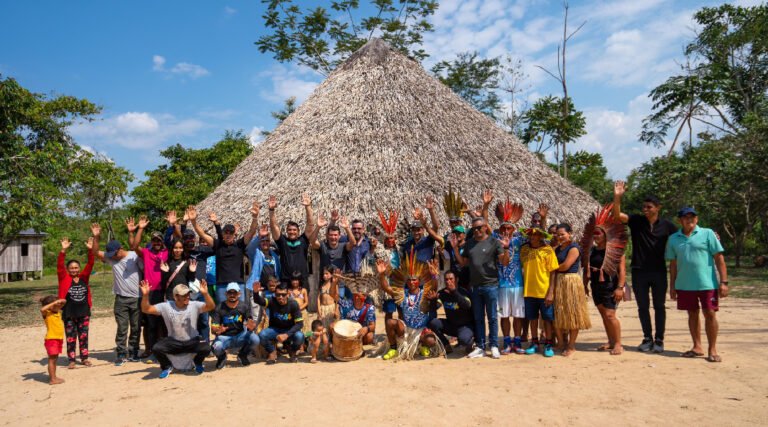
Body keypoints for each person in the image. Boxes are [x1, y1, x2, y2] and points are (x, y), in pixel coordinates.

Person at [613, 181, 678, 353]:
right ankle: (647, 338)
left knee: (659, 306)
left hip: (658, 271)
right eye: (644, 207)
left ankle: (659, 340)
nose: (645, 209)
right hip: (639, 271)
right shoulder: (637, 221)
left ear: (658, 208)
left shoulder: (667, 226)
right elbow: (617, 215)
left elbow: (683, 237)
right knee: (642, 306)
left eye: (649, 207)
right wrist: (617, 197)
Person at [449, 200, 511, 359]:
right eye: (474, 228)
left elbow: (504, 262)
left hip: (491, 285)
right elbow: (463, 263)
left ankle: (494, 346)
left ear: (485, 227)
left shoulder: (494, 242)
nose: (476, 230)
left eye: (479, 228)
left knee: (492, 317)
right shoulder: (469, 244)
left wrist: (505, 248)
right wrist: (455, 248)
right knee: (478, 317)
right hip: (475, 287)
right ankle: (481, 347)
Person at [666, 207, 728, 363]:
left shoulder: (708, 234)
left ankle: (712, 349)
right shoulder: (674, 238)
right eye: (685, 217)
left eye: (692, 216)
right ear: (680, 220)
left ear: (697, 219)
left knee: (710, 314)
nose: (689, 219)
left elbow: (719, 259)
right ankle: (697, 346)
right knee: (692, 314)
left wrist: (724, 282)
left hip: (707, 284)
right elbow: (673, 265)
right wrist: (672, 286)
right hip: (685, 285)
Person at [140, 280, 216, 378]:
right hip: (174, 342)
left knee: (206, 348)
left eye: (188, 294)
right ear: (176, 296)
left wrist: (205, 294)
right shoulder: (166, 306)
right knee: (156, 348)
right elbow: (146, 309)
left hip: (192, 341)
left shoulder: (194, 305)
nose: (187, 297)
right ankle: (167, 366)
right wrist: (145, 295)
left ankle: (197, 362)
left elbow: (211, 306)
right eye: (184, 295)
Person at [377, 256, 445, 361]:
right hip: (406, 328)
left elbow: (434, 288)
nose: (412, 282)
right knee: (390, 322)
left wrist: (433, 275)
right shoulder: (402, 293)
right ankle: (393, 348)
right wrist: (381, 274)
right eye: (409, 280)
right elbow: (386, 288)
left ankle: (423, 345)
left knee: (431, 340)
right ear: (406, 281)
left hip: (421, 329)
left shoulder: (425, 293)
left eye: (414, 280)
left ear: (419, 281)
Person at [93, 223, 143, 365]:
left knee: (135, 327)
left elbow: (136, 247)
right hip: (120, 299)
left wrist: (132, 232)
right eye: (111, 255)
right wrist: (96, 237)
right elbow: (95, 252)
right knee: (122, 327)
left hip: (137, 298)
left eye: (114, 254)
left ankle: (133, 352)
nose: (113, 257)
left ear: (120, 249)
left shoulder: (134, 256)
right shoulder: (111, 258)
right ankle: (121, 353)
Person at [582, 203, 628, 355]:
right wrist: (585, 285)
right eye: (594, 233)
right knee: (603, 314)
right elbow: (587, 269)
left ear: (605, 234)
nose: (596, 236)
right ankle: (610, 341)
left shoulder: (616, 251)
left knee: (610, 314)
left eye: (598, 234)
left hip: (610, 285)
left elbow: (622, 271)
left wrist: (620, 288)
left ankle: (618, 344)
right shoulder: (593, 251)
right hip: (596, 286)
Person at [189, 203, 259, 302]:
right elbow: (202, 234)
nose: (228, 234)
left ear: (235, 234)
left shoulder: (240, 244)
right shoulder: (217, 245)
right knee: (221, 313)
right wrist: (194, 221)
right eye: (226, 232)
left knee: (240, 313)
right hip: (221, 285)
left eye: (231, 232)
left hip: (238, 284)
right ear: (222, 234)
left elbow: (252, 231)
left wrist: (255, 217)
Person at [127, 213, 171, 359]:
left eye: (159, 240)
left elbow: (178, 240)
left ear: (162, 242)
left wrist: (172, 225)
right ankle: (150, 350)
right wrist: (139, 229)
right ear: (151, 242)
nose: (157, 243)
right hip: (150, 292)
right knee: (150, 324)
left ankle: (162, 350)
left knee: (163, 323)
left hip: (163, 292)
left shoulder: (166, 253)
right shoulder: (146, 253)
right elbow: (134, 246)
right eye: (154, 240)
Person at [57, 232, 96, 368]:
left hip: (84, 312)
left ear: (79, 268)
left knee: (84, 336)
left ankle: (84, 358)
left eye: (76, 267)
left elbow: (91, 263)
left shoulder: (84, 277)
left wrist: (90, 250)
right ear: (68, 269)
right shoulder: (64, 278)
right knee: (71, 337)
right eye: (71, 268)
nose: (74, 269)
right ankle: (72, 360)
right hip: (69, 313)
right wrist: (63, 250)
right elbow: (60, 265)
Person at [492, 198, 526, 354]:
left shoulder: (520, 239)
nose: (506, 231)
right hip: (502, 285)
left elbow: (541, 235)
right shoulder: (495, 239)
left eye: (509, 228)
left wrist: (543, 219)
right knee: (504, 315)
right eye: (503, 228)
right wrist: (485, 207)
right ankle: (506, 341)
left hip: (518, 284)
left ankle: (517, 341)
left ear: (514, 229)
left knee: (518, 315)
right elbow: (484, 223)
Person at [553, 223, 592, 356]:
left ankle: (571, 345)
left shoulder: (574, 248)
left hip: (571, 282)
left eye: (562, 234)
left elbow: (565, 266)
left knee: (572, 314)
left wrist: (552, 267)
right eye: (558, 234)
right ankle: (561, 343)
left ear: (570, 233)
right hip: (559, 282)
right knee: (559, 313)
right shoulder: (557, 248)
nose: (560, 237)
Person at [519, 226, 559, 357]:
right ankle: (534, 342)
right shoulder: (524, 249)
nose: (533, 236)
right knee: (532, 318)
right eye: (531, 234)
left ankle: (548, 343)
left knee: (547, 318)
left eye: (536, 234)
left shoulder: (548, 251)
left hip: (544, 290)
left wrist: (551, 292)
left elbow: (553, 272)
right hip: (528, 291)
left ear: (541, 236)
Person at [269, 193, 315, 288]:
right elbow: (274, 227)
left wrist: (308, 207)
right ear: (286, 231)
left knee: (303, 303)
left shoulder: (303, 240)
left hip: (302, 279)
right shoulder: (283, 241)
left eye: (294, 230)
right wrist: (271, 210)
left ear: (298, 232)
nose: (292, 232)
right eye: (289, 230)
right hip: (286, 280)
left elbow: (310, 225)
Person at [253, 283, 305, 364]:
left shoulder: (293, 304)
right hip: (275, 329)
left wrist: (286, 335)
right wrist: (255, 292)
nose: (280, 297)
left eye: (283, 295)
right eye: (278, 294)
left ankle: (293, 351)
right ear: (275, 294)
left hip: (289, 330)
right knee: (262, 335)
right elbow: (259, 301)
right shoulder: (271, 300)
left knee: (300, 336)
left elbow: (299, 324)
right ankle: (272, 352)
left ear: (288, 294)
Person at [211, 283, 259, 369]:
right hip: (224, 338)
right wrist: (218, 330)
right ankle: (222, 357)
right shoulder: (219, 307)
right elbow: (213, 329)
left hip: (240, 336)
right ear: (226, 294)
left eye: (235, 293)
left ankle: (242, 355)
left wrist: (251, 327)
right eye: (230, 293)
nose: (232, 295)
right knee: (216, 347)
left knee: (255, 339)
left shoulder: (244, 306)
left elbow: (250, 323)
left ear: (239, 294)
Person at [427, 271, 475, 354]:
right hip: (451, 325)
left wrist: (454, 292)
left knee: (463, 340)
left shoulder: (463, 291)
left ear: (456, 280)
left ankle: (471, 341)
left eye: (451, 279)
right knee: (433, 322)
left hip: (465, 326)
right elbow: (434, 308)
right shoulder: (442, 293)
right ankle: (446, 344)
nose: (448, 281)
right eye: (446, 279)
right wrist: (433, 301)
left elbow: (466, 305)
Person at [400, 196, 443, 263]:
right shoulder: (407, 245)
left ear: (423, 230)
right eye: (414, 230)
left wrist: (431, 210)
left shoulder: (428, 240)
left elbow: (436, 227)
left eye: (418, 230)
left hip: (428, 272)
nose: (416, 232)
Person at [40, 296, 67, 385]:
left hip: (58, 339)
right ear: (50, 306)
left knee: (55, 360)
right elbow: (42, 309)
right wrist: (53, 303)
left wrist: (58, 301)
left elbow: (64, 301)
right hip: (51, 340)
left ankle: (53, 377)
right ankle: (52, 379)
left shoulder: (57, 312)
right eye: (56, 304)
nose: (59, 305)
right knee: (52, 360)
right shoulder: (47, 313)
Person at [317, 266, 340, 331]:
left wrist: (336, 310)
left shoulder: (334, 284)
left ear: (331, 274)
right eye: (323, 274)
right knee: (324, 328)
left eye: (327, 273)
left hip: (331, 308)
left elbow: (336, 299)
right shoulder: (321, 285)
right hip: (323, 309)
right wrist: (319, 310)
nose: (324, 275)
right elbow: (318, 298)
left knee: (332, 328)